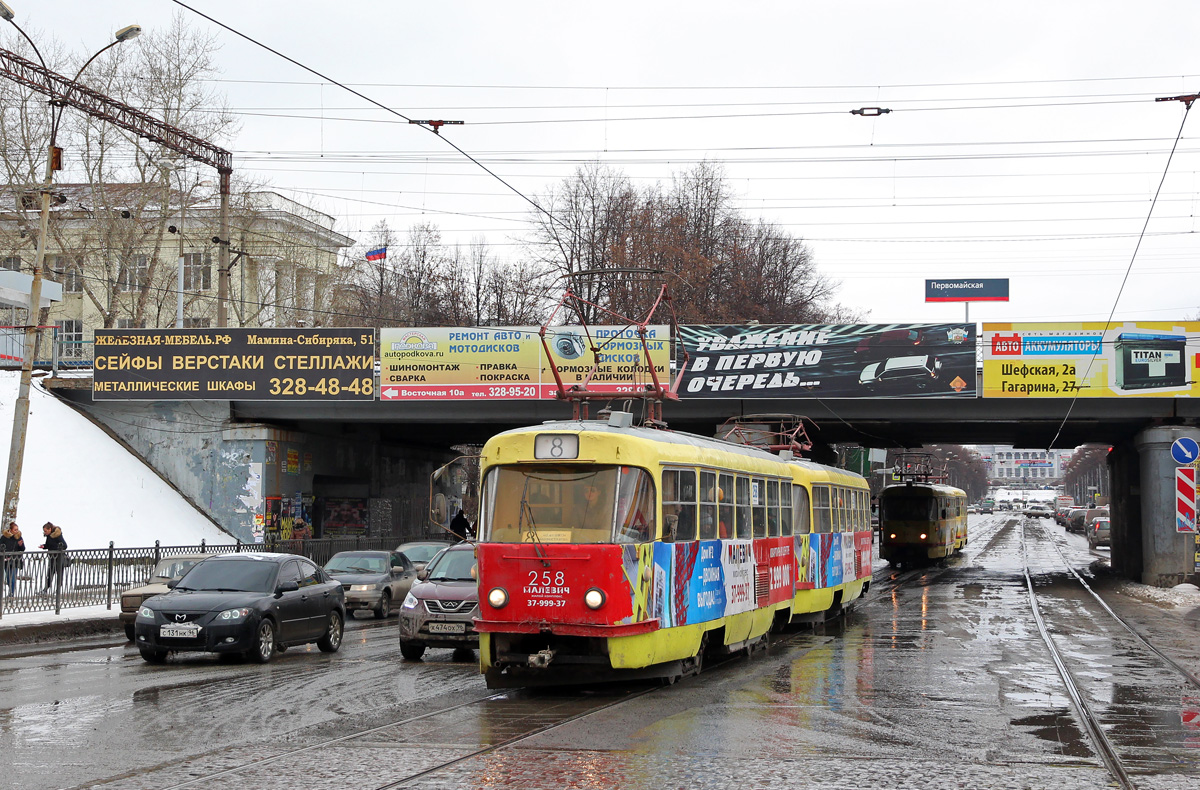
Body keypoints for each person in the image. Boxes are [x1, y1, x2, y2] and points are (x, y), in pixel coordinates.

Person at [38, 522, 67, 594]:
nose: (45, 532)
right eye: (44, 531)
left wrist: (57, 548)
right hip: (52, 557)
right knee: (50, 573)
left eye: (46, 531)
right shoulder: (49, 536)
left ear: (50, 529)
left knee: (59, 574)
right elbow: (49, 545)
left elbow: (65, 546)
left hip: (59, 558)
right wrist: (44, 546)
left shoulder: (57, 535)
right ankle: (46, 589)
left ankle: (58, 590)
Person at [1, 522, 25, 596]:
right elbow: (1, 547)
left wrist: (21, 545)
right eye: (15, 530)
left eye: (17, 529)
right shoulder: (4, 537)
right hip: (6, 560)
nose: (16, 531)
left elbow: (23, 548)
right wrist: (5, 552)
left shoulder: (19, 537)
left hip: (15, 560)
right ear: (10, 530)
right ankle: (10, 588)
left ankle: (11, 593)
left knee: (13, 577)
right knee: (8, 578)